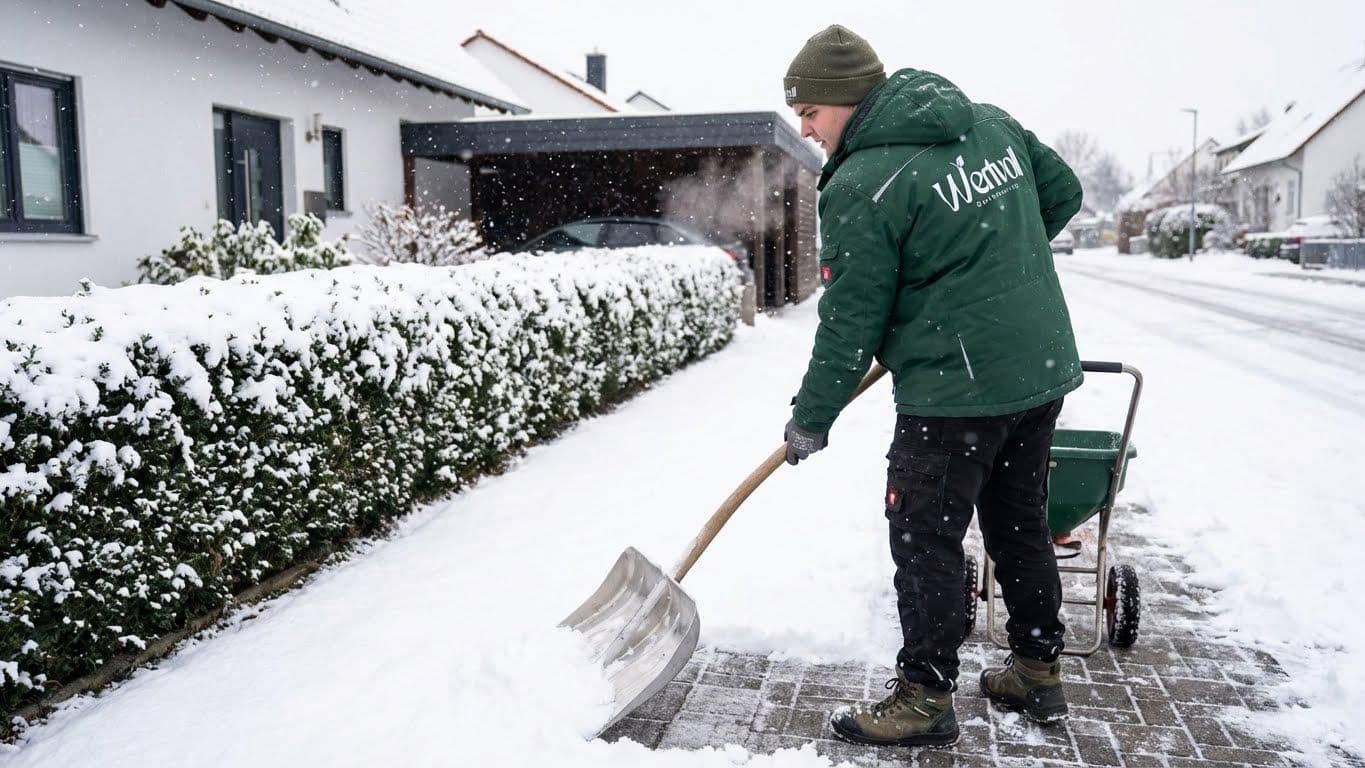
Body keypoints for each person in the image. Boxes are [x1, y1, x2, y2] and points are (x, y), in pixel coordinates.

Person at [780, 24, 1085, 748]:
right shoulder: (987, 122)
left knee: (924, 539)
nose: (804, 127)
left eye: (810, 110)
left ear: (847, 102)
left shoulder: (859, 184)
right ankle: (1036, 673)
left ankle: (922, 696)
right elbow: (1061, 194)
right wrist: (989, 274)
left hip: (954, 394)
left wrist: (810, 418)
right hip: (1037, 369)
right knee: (1018, 526)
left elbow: (848, 321)